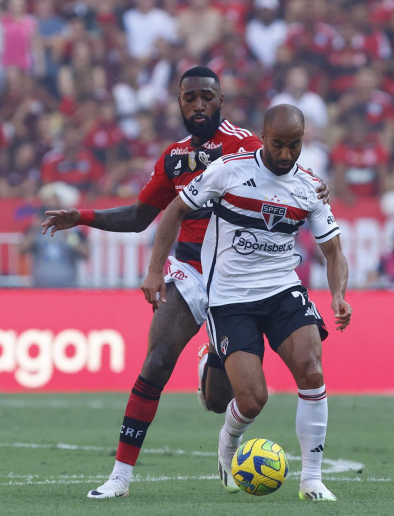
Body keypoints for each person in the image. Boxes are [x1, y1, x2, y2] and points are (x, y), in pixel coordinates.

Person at [40, 66, 330, 499]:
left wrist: (317, 186)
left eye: (206, 97)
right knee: (156, 362)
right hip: (191, 272)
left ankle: (213, 353)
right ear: (178, 103)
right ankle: (120, 476)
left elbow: (288, 168)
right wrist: (82, 217)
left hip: (237, 282)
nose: (198, 105)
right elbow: (142, 215)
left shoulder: (246, 143)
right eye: (189, 97)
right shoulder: (174, 157)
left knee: (218, 401)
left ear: (220, 101)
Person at [141, 104, 351, 502]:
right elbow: (174, 211)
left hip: (281, 290)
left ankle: (312, 479)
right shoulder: (229, 170)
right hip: (230, 298)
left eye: (294, 145)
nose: (286, 154)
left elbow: (334, 251)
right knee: (252, 399)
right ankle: (228, 442)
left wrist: (338, 294)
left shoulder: (308, 187)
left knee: (311, 368)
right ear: (263, 135)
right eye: (278, 144)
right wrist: (155, 271)